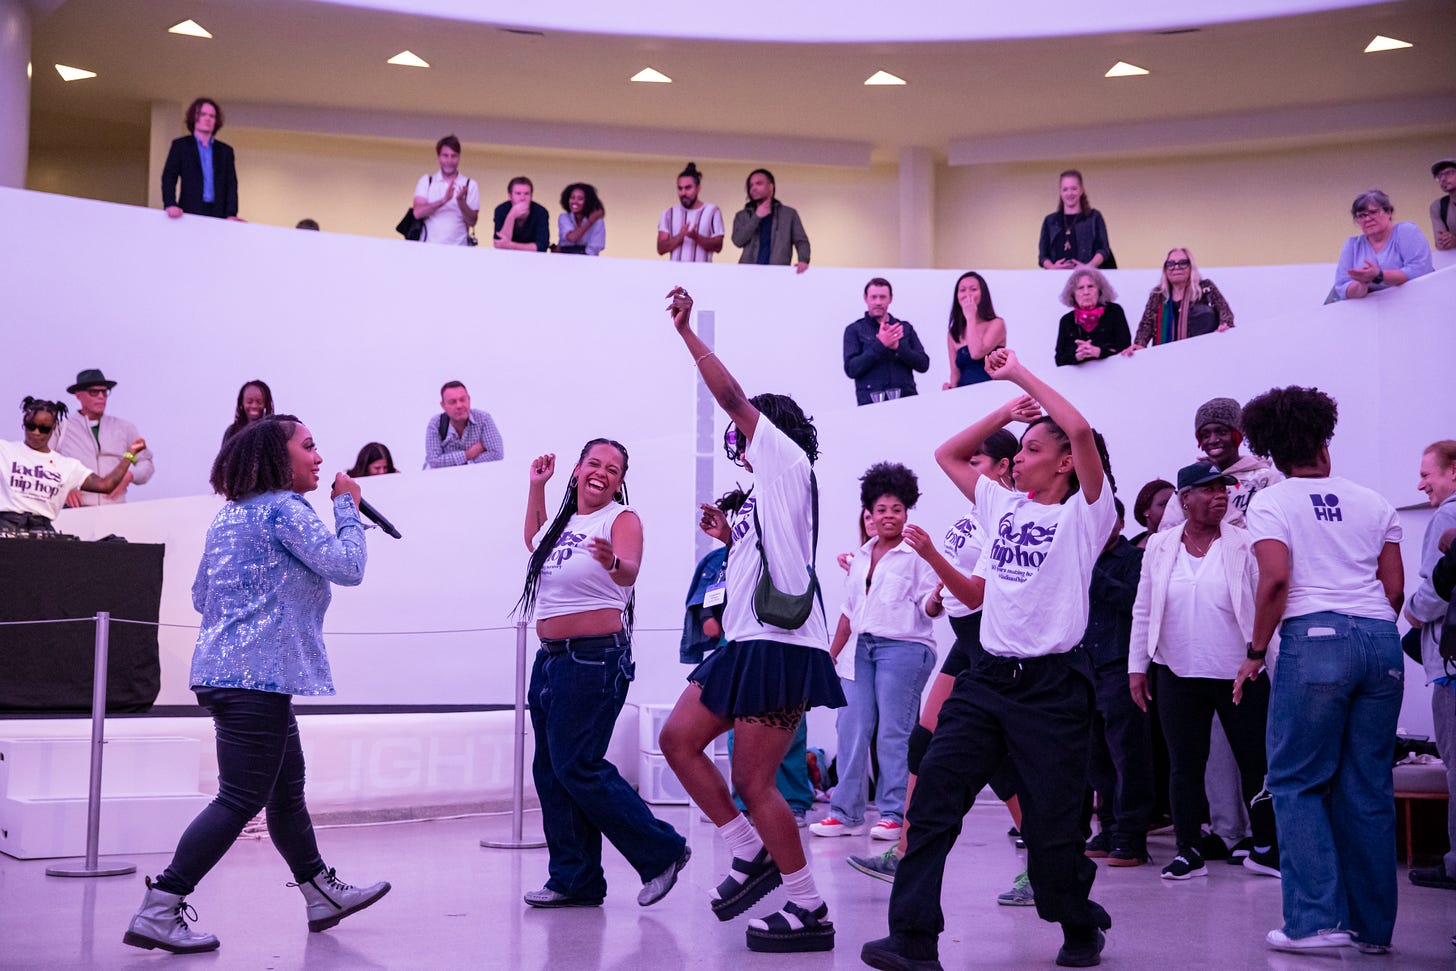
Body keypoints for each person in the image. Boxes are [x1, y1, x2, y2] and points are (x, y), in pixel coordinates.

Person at [862, 347, 1117, 971]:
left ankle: (1079, 920)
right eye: (1019, 448)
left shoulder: (1087, 513)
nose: (1019, 459)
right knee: (933, 804)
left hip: (1054, 689)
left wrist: (1020, 374)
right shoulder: (1001, 506)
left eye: (1032, 449)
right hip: (987, 680)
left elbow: (1080, 429)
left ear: (1063, 463)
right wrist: (1004, 406)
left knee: (1053, 838)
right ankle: (914, 939)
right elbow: (947, 455)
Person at [123, 416, 388, 954]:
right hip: (256, 680)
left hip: (229, 674)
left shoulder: (229, 516)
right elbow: (348, 565)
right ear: (277, 457)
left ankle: (320, 893)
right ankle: (161, 906)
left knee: (285, 795)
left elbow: (201, 596)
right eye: (309, 446)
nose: (319, 457)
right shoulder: (287, 510)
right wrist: (347, 508)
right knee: (241, 798)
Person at [657, 287, 844, 953]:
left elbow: (733, 398)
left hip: (781, 645)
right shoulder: (765, 490)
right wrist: (729, 536)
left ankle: (810, 907)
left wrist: (687, 334)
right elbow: (769, 561)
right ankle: (751, 850)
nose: (741, 432)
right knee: (678, 738)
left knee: (754, 782)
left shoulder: (789, 461)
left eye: (752, 424)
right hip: (745, 642)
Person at [1234, 386, 1404, 955]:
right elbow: (1395, 588)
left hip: (1314, 637)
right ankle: (1372, 931)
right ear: (1324, 442)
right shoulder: (1374, 501)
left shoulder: (1272, 503)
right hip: (1380, 639)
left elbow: (1276, 581)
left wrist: (1256, 653)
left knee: (1296, 782)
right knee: (1368, 788)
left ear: (1274, 453)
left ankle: (1314, 923)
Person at [846, 431, 1034, 909]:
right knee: (922, 740)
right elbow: (957, 581)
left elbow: (980, 590)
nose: (965, 470)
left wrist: (933, 563)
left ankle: (1041, 862)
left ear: (1002, 466)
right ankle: (905, 851)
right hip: (966, 639)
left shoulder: (1009, 512)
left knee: (999, 758)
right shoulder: (973, 514)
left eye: (976, 461)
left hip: (991, 641)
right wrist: (936, 597)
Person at [516, 441, 690, 908]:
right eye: (594, 463)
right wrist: (537, 487)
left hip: (593, 660)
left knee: (577, 763)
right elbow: (534, 539)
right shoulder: (563, 521)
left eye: (613, 469)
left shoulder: (621, 519)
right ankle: (576, 879)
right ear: (577, 470)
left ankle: (663, 851)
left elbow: (629, 571)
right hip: (551, 658)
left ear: (619, 480)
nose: (602, 473)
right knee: (553, 770)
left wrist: (613, 561)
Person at [1129, 462, 1279, 882]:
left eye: (1223, 489)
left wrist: (1263, 655)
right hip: (1175, 670)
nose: (1220, 496)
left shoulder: (1244, 543)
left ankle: (1266, 847)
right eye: (1208, 489)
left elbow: (1268, 604)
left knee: (1256, 761)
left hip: (1239, 671)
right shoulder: (1159, 546)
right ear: (1184, 499)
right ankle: (1188, 850)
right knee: (1185, 764)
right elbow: (1144, 608)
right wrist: (1137, 668)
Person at [815, 463, 937, 843]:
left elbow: (929, 605)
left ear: (907, 512)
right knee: (850, 726)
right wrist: (831, 654)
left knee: (893, 733)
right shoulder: (862, 555)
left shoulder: (917, 553)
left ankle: (891, 814)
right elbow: (850, 611)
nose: (889, 516)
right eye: (881, 509)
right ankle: (845, 812)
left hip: (903, 647)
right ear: (870, 512)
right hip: (860, 650)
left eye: (897, 509)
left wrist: (938, 599)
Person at [1081, 498, 1153, 867]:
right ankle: (1107, 829)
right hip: (1083, 666)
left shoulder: (1136, 560)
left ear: (1121, 523)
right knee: (1096, 757)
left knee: (1128, 754)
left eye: (1107, 519)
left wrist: (1095, 575)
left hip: (1121, 664)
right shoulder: (1076, 555)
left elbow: (1139, 603)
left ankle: (1132, 836)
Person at [1406, 440, 1456, 892]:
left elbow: (1436, 590)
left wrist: (1412, 611)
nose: (1420, 484)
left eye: (1428, 474)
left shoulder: (1447, 516)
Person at [0, 397, 144, 534]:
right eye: (31, 426)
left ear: (54, 428)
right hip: (6, 525)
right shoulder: (5, 450)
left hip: (42, 529)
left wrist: (129, 455)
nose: (36, 432)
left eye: (43, 428)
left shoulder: (67, 465)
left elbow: (105, 485)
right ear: (23, 423)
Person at [1160, 397, 1283, 532]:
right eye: (1205, 435)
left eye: (1222, 432)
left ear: (1237, 435)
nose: (1213, 440)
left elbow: (1272, 529)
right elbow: (1167, 534)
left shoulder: (1265, 478)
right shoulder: (1190, 479)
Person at [56, 368, 155, 507]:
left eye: (104, 392)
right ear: (78, 395)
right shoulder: (61, 429)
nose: (101, 396)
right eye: (94, 392)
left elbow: (145, 462)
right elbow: (44, 465)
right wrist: (64, 487)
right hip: (75, 511)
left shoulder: (124, 428)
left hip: (114, 508)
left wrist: (130, 476)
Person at [1331, 189, 1433, 301]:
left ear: (1388, 212)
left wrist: (1379, 276)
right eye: (1361, 216)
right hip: (1373, 311)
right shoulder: (1353, 245)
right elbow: (1342, 287)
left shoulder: (1406, 231)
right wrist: (1362, 285)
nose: (1367, 219)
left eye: (1373, 212)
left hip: (1416, 301)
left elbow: (1420, 270)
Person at [842, 277, 930, 405]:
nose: (878, 302)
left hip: (907, 401)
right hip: (871, 404)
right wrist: (880, 345)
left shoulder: (904, 327)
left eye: (882, 297)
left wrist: (898, 347)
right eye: (874, 297)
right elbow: (851, 369)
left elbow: (924, 364)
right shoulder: (854, 330)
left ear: (890, 299)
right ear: (865, 298)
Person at [1128, 248, 1234, 352]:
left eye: (1183, 263)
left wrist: (1224, 326)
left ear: (1191, 266)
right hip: (1165, 360)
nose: (1176, 267)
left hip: (1203, 353)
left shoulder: (1206, 288)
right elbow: (1146, 326)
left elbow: (1226, 315)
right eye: (1170, 264)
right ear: (1165, 269)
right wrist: (1139, 345)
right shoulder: (1157, 295)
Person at [161, 98, 240, 220]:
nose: (208, 118)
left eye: (212, 116)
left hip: (218, 213)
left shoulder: (226, 151)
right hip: (188, 211)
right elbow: (169, 177)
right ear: (194, 117)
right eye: (203, 114)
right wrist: (170, 204)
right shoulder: (181, 146)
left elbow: (231, 185)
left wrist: (231, 213)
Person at [731, 169, 810, 273]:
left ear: (771, 187)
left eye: (759, 183)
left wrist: (803, 260)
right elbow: (738, 241)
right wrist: (756, 217)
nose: (753, 188)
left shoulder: (789, 214)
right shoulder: (742, 215)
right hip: (748, 272)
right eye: (751, 185)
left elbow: (801, 241)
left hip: (777, 273)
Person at [1037, 169, 1115, 270]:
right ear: (1060, 192)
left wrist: (1087, 268)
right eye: (1065, 189)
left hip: (1087, 279)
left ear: (1081, 190)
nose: (1069, 193)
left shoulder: (1094, 217)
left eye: (1074, 188)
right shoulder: (1050, 221)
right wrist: (1052, 267)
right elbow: (1043, 256)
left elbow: (1103, 250)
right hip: (1056, 279)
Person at [411, 135, 480, 247]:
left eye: (454, 156)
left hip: (459, 248)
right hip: (428, 247)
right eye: (445, 155)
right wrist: (443, 200)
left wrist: (460, 202)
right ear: (438, 157)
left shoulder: (470, 184)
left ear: (459, 157)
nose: (449, 160)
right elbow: (418, 213)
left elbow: (472, 222)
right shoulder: (427, 181)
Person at [1054, 266, 1130, 366]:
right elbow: (1059, 360)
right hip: (1077, 379)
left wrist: (1099, 352)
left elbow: (1125, 348)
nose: (1086, 292)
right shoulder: (1066, 320)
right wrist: (1077, 355)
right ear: (1073, 294)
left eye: (1091, 286)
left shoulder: (1114, 311)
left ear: (1100, 291)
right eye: (1080, 288)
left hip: (1112, 376)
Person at [942, 271, 1006, 390]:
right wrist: (951, 388)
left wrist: (971, 317)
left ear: (983, 294)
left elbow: (976, 353)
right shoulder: (953, 332)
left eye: (973, 289)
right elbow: (955, 373)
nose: (967, 294)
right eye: (962, 290)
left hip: (991, 390)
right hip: (964, 393)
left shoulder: (996, 323)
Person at [422, 381, 503, 468]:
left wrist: (463, 463)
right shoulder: (436, 424)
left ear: (469, 399)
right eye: (452, 402)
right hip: (443, 478)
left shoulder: (483, 419)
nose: (459, 405)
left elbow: (496, 454)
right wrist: (469, 454)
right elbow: (434, 462)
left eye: (462, 399)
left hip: (477, 477)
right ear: (443, 406)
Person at [658, 161, 724, 262]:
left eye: (688, 188)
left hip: (703, 273)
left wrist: (696, 237)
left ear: (698, 188)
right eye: (680, 188)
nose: (683, 193)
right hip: (675, 274)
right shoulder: (668, 213)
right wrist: (680, 236)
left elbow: (718, 246)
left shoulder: (712, 211)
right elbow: (661, 248)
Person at [492, 176, 550, 252]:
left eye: (526, 194)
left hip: (534, 258)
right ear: (510, 196)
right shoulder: (501, 210)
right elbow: (499, 244)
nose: (522, 198)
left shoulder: (541, 212)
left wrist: (510, 245)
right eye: (518, 193)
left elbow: (541, 246)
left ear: (531, 196)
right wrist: (511, 215)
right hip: (507, 257)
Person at [556, 183, 605, 255]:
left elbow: (594, 249)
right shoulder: (564, 217)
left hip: (588, 261)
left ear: (588, 201)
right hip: (564, 258)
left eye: (580, 199)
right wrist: (589, 222)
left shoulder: (598, 222)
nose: (575, 202)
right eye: (572, 198)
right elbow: (571, 238)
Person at [222, 380, 274, 445]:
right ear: (242, 403)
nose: (254, 406)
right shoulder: (231, 431)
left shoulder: (272, 432)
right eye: (249, 402)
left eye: (259, 402)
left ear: (265, 404)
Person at [1128, 479, 1174, 549]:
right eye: (1164, 505)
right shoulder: (1129, 553)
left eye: (1175, 504)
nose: (1171, 509)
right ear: (1146, 511)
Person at [1428, 158, 1455, 253]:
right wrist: (1445, 241)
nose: (1443, 179)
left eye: (1449, 173)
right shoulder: (1438, 206)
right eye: (1439, 176)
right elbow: (1440, 244)